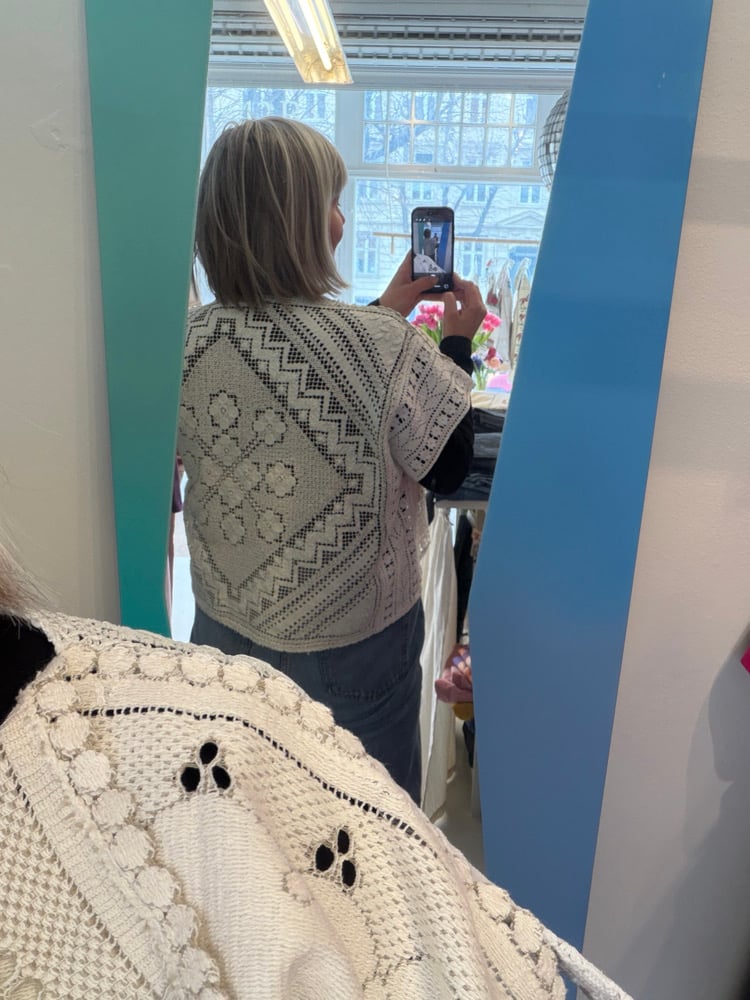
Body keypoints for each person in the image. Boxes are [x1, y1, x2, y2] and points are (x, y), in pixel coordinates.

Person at [0, 536, 632, 1000]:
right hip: (345, 632)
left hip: (234, 617)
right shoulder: (186, 719)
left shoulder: (190, 716)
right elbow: (443, 459)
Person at [178, 116, 486, 803]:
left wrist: (384, 309)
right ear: (299, 224)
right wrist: (456, 344)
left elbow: (288, 374)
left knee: (245, 815)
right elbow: (446, 466)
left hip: (223, 632)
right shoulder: (380, 344)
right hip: (354, 649)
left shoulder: (188, 342)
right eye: (333, 203)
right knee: (363, 831)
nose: (342, 221)